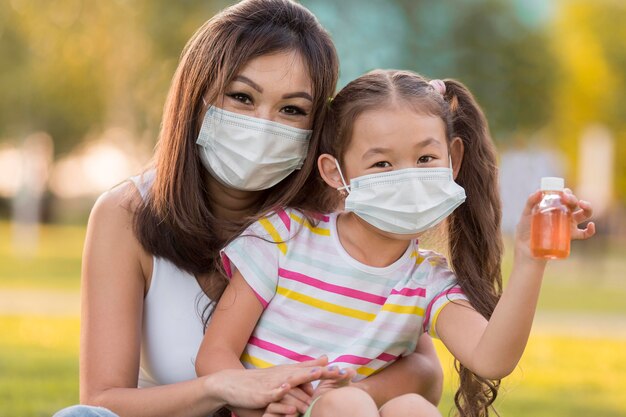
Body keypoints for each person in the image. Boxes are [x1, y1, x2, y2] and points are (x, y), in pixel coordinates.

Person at [53, 2, 445, 417]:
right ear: (196, 96)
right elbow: (102, 400)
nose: (264, 124)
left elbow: (424, 370)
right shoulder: (126, 214)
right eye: (241, 97)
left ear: (316, 128)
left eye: (292, 109)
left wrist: (318, 400)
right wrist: (222, 387)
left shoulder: (340, 214)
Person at [194, 69, 596, 417]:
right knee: (348, 405)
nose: (407, 177)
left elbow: (491, 358)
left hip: (353, 409)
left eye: (425, 159)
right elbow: (215, 354)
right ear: (335, 173)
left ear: (453, 161)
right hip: (269, 410)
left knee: (413, 408)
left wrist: (531, 260)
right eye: (382, 163)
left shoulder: (427, 280)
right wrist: (256, 400)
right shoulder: (284, 236)